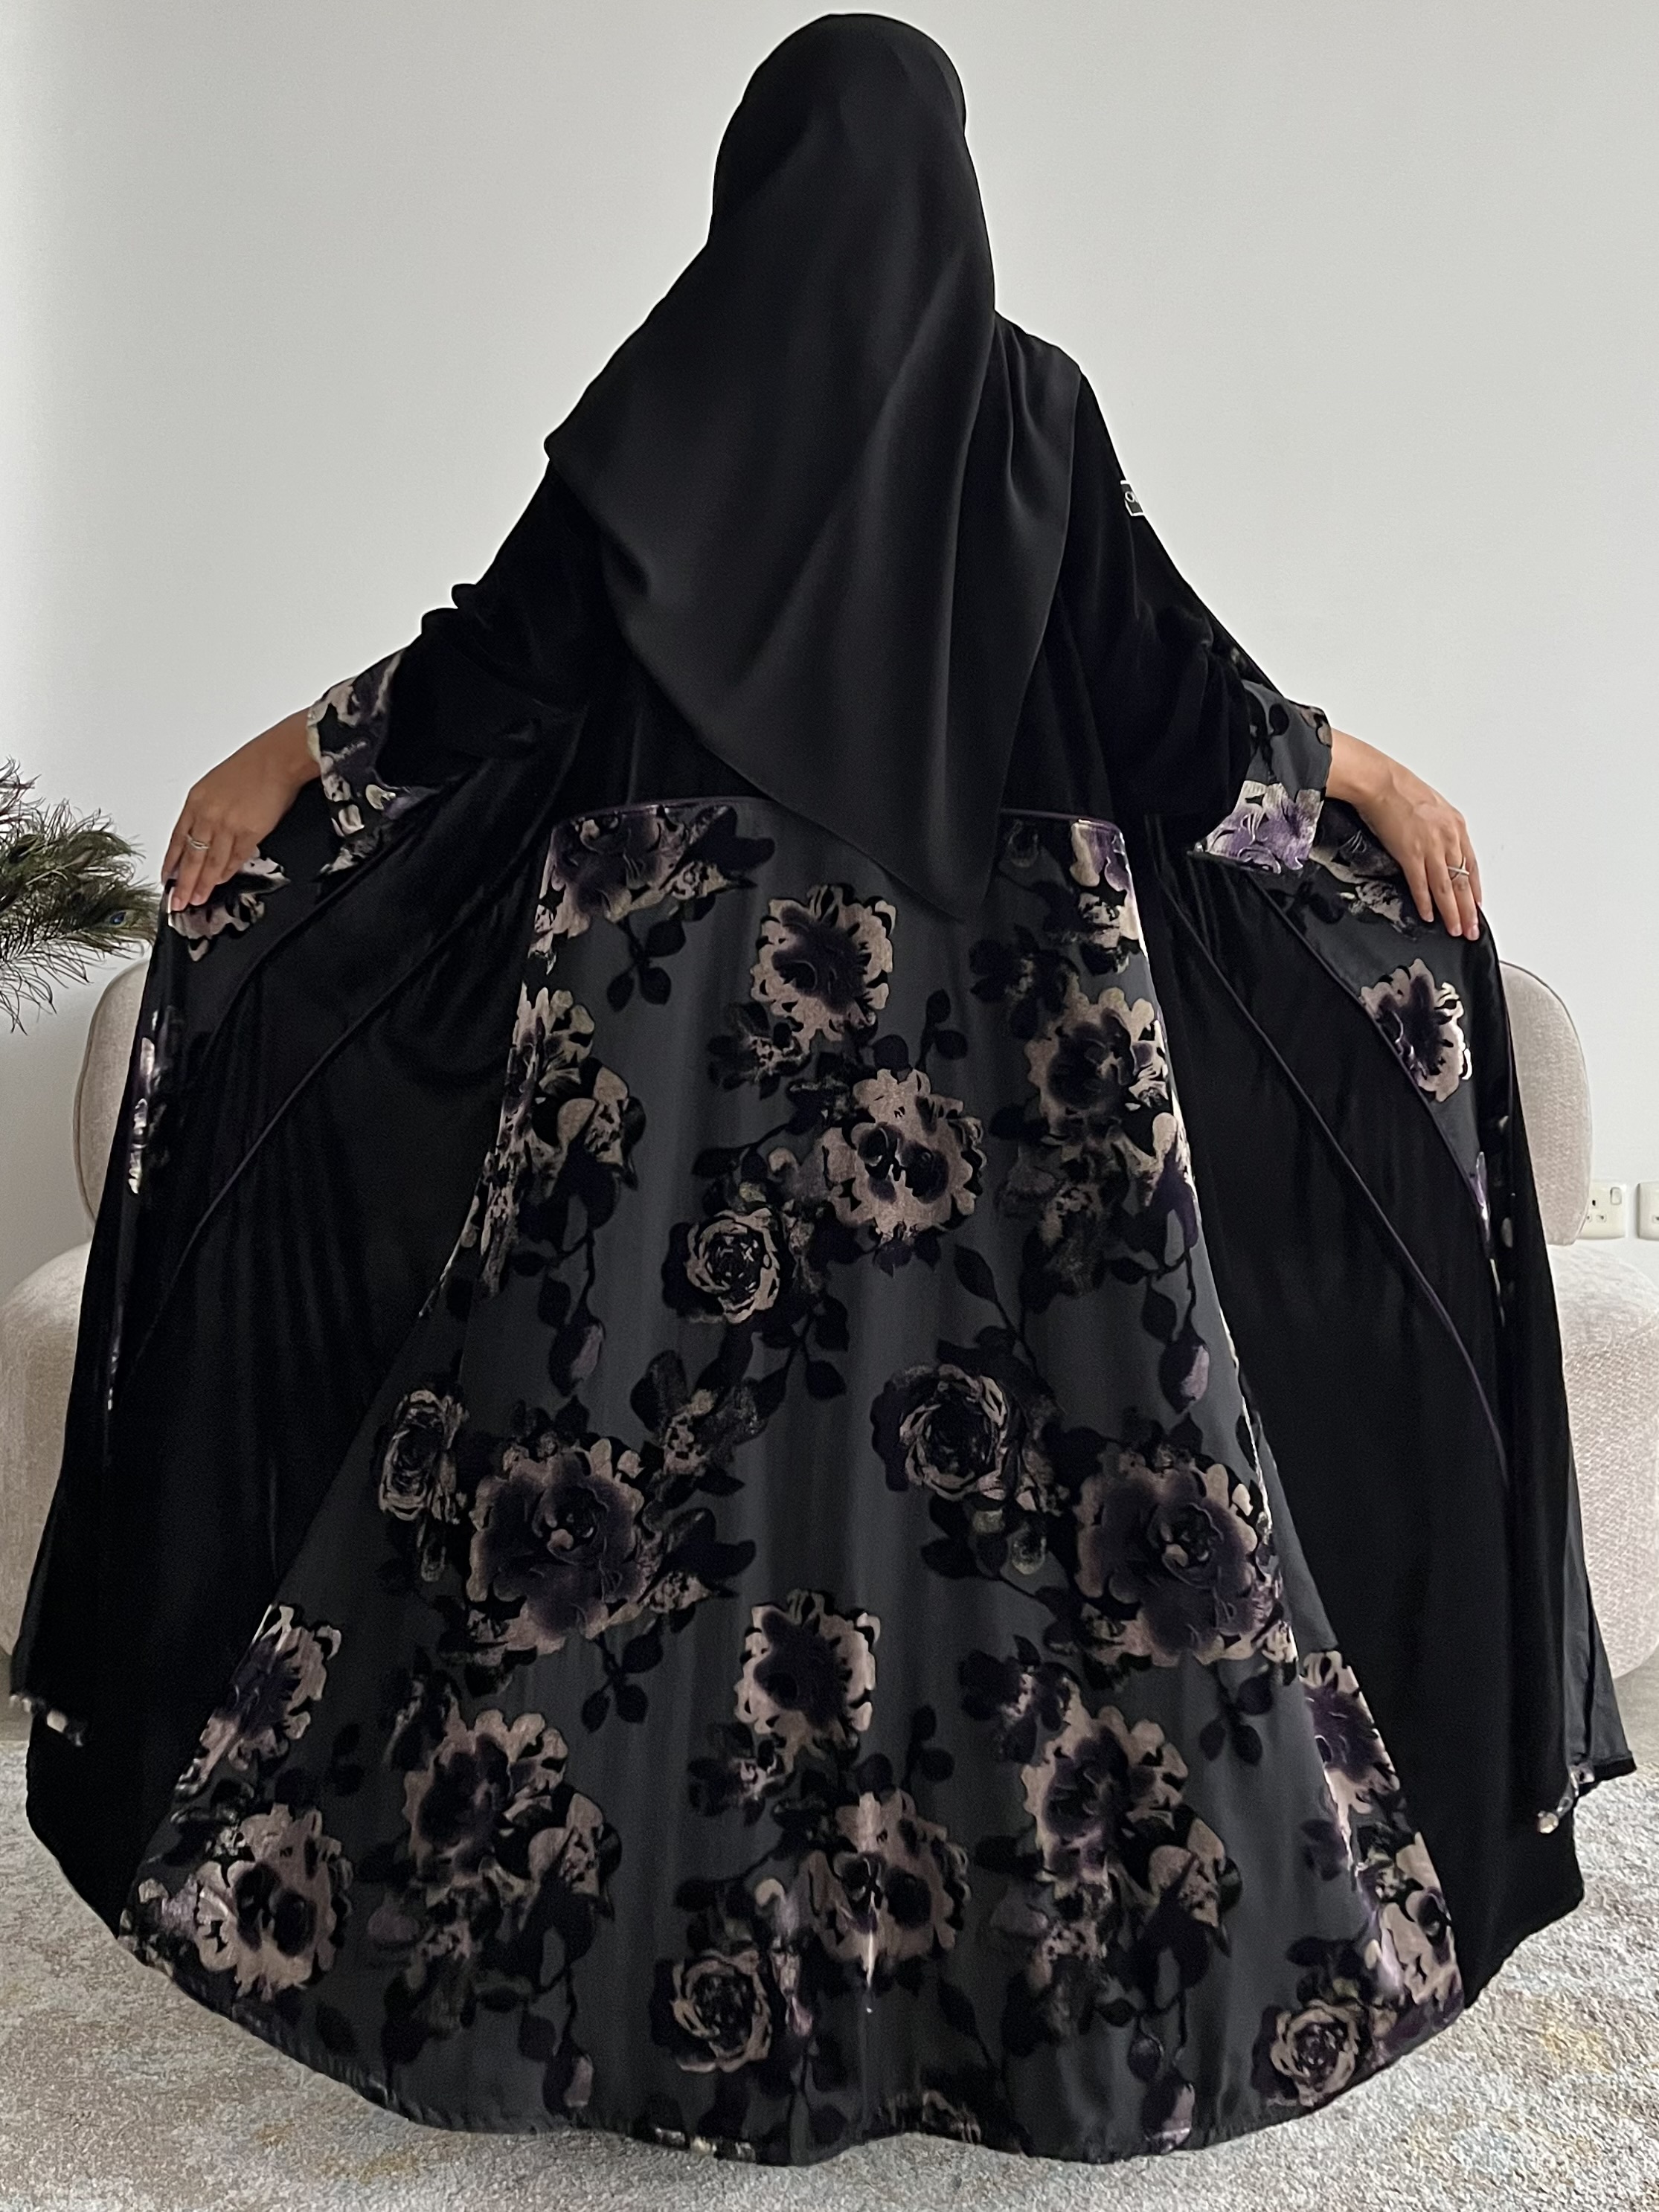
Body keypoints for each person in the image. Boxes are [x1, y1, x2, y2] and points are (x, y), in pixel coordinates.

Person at [13, 12, 1628, 2167]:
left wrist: (284, 753)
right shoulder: (1027, 410)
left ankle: (585, 1998)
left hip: (662, 1075)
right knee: (1063, 1518)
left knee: (605, 1496)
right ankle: (1036, 2015)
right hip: (1026, 1101)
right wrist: (1368, 774)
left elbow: (492, 678)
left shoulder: (656, 411)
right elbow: (1174, 720)